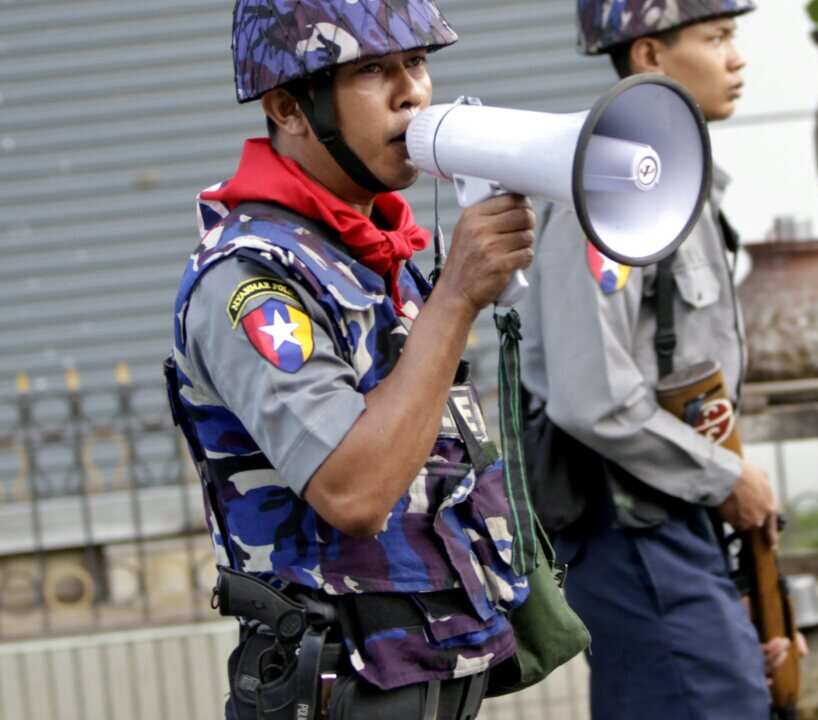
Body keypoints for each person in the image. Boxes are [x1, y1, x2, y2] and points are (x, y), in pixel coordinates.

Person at [164, 2, 538, 718]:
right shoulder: (249, 278)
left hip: (422, 679)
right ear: (288, 107)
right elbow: (354, 493)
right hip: (341, 688)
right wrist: (455, 300)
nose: (413, 92)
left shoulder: (371, 256)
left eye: (417, 63)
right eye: (372, 70)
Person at [519, 1, 799, 717]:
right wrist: (727, 478)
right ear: (649, 56)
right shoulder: (605, 192)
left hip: (676, 514)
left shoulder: (679, 183)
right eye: (716, 37)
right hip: (627, 524)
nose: (737, 58)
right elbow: (591, 397)